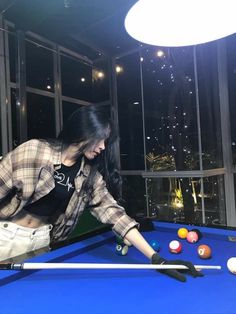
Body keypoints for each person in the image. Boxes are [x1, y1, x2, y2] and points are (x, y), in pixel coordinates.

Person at [0, 104, 203, 281]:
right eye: (100, 139)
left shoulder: (90, 176)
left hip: (42, 242)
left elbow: (115, 215)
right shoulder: (34, 151)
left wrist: (157, 259)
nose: (103, 147)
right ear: (84, 131)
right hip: (6, 235)